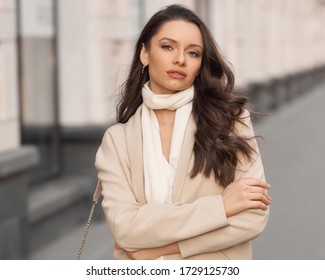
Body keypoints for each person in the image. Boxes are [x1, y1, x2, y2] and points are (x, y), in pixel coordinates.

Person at [95, 4, 271, 260]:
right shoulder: (117, 140)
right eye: (168, 47)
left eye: (193, 52)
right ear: (145, 54)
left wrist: (163, 249)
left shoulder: (230, 121)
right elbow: (125, 228)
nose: (180, 59)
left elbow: (252, 218)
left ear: (201, 63)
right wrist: (220, 207)